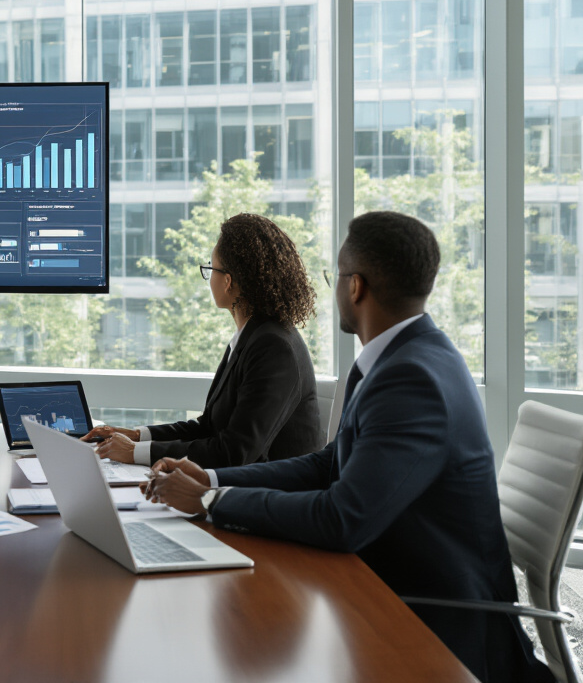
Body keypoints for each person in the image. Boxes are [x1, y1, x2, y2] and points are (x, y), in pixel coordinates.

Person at [142, 212, 550, 683]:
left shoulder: (412, 378)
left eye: (334, 277)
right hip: (382, 588)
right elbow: (327, 464)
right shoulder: (401, 358)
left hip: (435, 627)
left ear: (355, 287)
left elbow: (343, 518)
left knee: (242, 648)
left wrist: (212, 502)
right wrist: (210, 479)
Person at [83, 213, 323, 468]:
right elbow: (208, 427)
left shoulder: (274, 348)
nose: (209, 278)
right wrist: (136, 437)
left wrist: (134, 453)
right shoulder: (254, 337)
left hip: (267, 499)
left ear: (228, 281)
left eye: (211, 268)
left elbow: (235, 451)